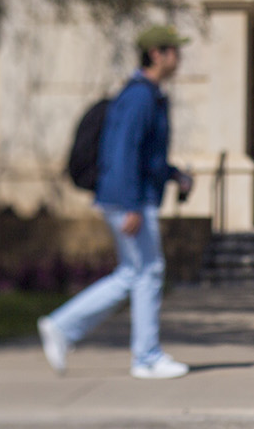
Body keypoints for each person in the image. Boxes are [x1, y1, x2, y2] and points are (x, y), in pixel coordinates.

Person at [38, 25, 195, 380]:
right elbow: (123, 152)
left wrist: (173, 175)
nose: (179, 58)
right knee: (148, 273)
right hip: (129, 199)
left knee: (133, 274)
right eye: (175, 51)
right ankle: (146, 357)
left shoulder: (148, 95)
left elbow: (145, 156)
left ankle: (62, 327)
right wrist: (132, 205)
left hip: (129, 195)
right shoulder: (140, 97)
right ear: (157, 54)